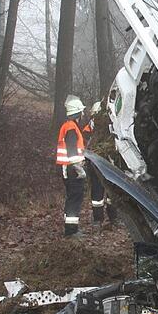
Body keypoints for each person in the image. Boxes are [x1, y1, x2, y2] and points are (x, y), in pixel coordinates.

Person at [56, 95, 88, 237]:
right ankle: (71, 231)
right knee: (75, 197)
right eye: (81, 112)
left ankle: (71, 228)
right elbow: (71, 150)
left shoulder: (71, 126)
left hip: (70, 168)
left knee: (73, 197)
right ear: (77, 112)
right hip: (71, 169)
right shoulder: (71, 127)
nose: (83, 114)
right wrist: (78, 167)